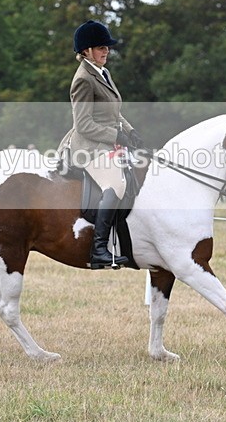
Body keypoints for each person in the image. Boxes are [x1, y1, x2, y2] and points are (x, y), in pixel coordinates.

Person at [58, 20, 142, 269]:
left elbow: (113, 113)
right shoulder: (83, 79)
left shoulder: (102, 72)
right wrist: (116, 137)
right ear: (85, 51)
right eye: (100, 47)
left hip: (105, 142)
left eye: (107, 47)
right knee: (116, 183)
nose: (106, 51)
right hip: (88, 147)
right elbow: (83, 124)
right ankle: (98, 250)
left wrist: (131, 131)